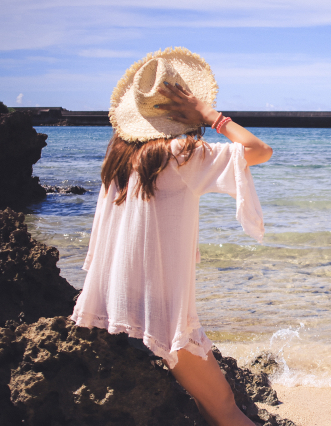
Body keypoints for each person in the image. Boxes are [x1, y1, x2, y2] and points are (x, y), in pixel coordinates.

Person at [70, 47, 272, 426]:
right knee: (224, 407)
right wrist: (210, 115)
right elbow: (259, 151)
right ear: (184, 106)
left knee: (204, 409)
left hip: (111, 304)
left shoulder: (118, 157)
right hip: (160, 313)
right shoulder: (181, 154)